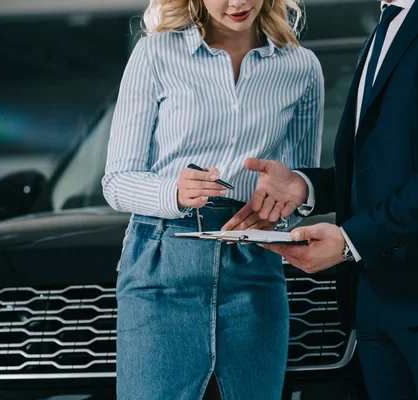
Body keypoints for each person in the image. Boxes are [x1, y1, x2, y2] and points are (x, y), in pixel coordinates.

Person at [223, 0, 418, 399]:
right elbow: (384, 170)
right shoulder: (386, 27)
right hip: (378, 304)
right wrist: (303, 186)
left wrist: (351, 242)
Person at [101, 0, 323, 398]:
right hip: (161, 267)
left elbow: (300, 180)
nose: (238, 3)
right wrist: (173, 191)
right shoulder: (156, 54)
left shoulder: (301, 67)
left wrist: (289, 201)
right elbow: (117, 182)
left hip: (254, 267)